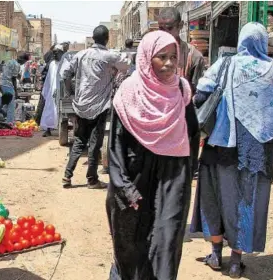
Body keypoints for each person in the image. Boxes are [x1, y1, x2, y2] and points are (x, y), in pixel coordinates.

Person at [189, 23, 273, 278]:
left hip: (218, 148)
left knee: (213, 198)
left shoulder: (224, 65)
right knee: (245, 203)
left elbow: (199, 97)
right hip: (255, 152)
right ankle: (235, 261)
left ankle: (215, 253)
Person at [106, 30, 194, 280]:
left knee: (166, 242)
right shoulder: (129, 92)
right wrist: (122, 185)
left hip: (171, 178)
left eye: (173, 57)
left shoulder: (181, 91)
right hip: (134, 178)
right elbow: (115, 145)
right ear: (146, 58)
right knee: (131, 248)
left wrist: (187, 174)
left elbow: (193, 132)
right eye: (161, 56)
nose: (168, 63)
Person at [61, 25, 130, 189]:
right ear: (107, 39)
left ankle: (67, 176)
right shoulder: (110, 56)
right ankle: (92, 180)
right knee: (94, 144)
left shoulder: (81, 54)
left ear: (93, 38)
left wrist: (70, 92)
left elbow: (65, 74)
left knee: (78, 141)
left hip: (81, 105)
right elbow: (127, 65)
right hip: (99, 106)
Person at [158, 7, 206, 177]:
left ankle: (190, 169)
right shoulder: (152, 53)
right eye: (161, 29)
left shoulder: (194, 56)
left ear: (181, 26)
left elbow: (197, 92)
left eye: (169, 28)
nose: (165, 33)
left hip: (183, 114)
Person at [39, 44, 65, 137]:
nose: (54, 55)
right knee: (49, 110)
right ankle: (48, 129)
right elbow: (48, 78)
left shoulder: (65, 63)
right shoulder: (52, 64)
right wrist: (46, 91)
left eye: (56, 53)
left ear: (61, 53)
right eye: (53, 53)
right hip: (52, 91)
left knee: (62, 111)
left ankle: (62, 130)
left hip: (62, 91)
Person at [0, 52, 30, 123]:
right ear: (23, 60)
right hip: (8, 84)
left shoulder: (11, 61)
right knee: (11, 104)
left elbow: (10, 73)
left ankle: (1, 116)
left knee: (6, 103)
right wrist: (16, 91)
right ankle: (10, 122)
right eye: (25, 62)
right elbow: (13, 79)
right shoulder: (17, 65)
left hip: (2, 83)